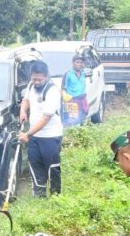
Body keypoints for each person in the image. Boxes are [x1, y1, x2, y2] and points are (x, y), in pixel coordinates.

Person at [18, 61, 63, 197]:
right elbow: (26, 100)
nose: (36, 82)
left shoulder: (52, 90)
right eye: (34, 78)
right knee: (35, 165)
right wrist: (23, 111)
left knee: (51, 167)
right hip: (35, 136)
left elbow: (45, 119)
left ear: (47, 76)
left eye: (39, 79)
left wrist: (28, 134)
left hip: (50, 136)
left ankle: (55, 197)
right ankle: (39, 196)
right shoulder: (31, 85)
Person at [61, 54, 89, 128]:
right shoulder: (68, 74)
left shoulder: (83, 73)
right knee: (72, 121)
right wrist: (65, 97)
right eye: (77, 62)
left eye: (81, 62)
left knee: (83, 118)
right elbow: (63, 88)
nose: (79, 64)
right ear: (73, 63)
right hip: (72, 101)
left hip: (82, 100)